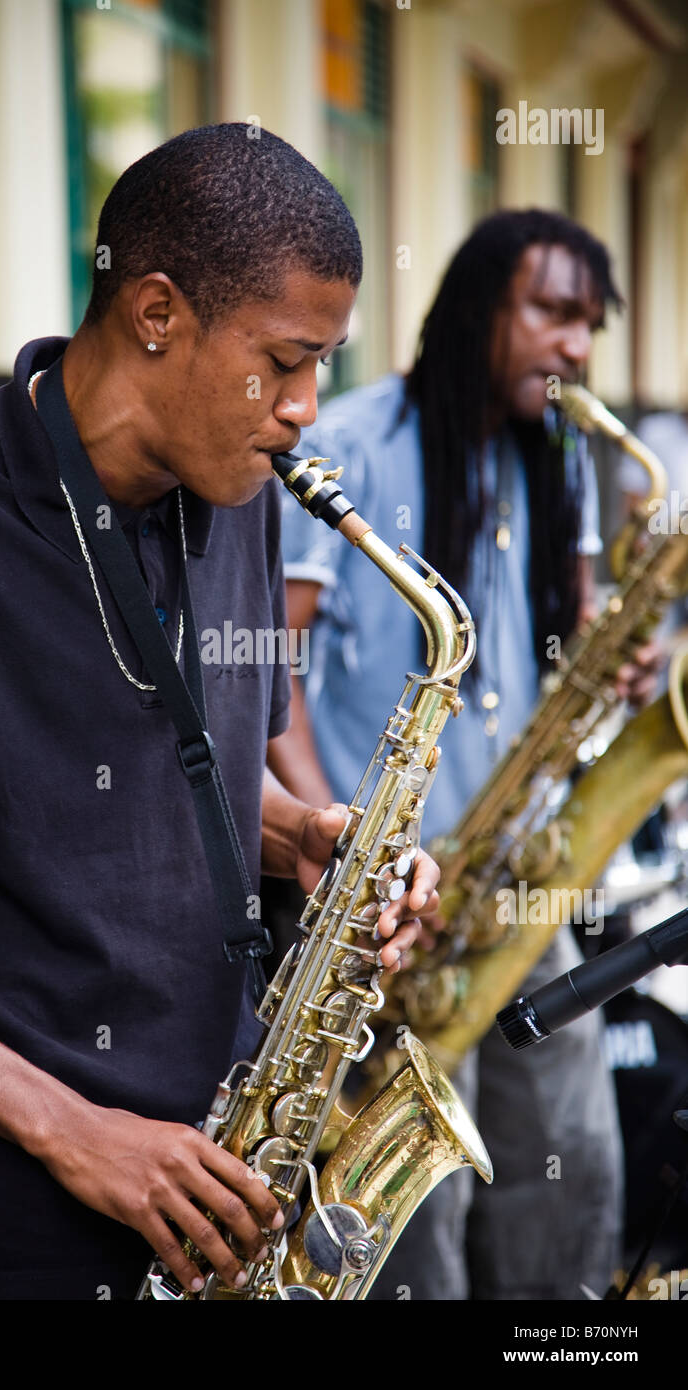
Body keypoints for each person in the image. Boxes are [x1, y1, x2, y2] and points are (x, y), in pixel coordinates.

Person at [0, 124, 441, 1301]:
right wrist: (72, 1129)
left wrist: (310, 838)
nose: (309, 408)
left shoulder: (246, 490)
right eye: (286, 360)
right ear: (156, 313)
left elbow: (189, 774)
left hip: (215, 1186)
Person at [269, 208, 659, 1300]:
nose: (576, 345)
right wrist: (340, 846)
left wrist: (612, 663)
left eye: (589, 321)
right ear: (477, 309)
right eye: (550, 311)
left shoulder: (560, 455)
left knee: (569, 1157)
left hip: (512, 874)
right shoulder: (344, 441)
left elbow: (563, 629)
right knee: (408, 1200)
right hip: (379, 889)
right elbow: (268, 674)